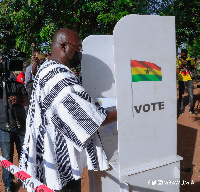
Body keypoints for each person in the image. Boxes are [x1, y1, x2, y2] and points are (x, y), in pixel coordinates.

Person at [19, 28, 117, 192]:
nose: (79, 53)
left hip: (45, 157)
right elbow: (89, 119)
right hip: (59, 165)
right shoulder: (60, 77)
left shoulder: (46, 68)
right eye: (77, 48)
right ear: (64, 46)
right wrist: (122, 111)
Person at [0, 54, 29, 192]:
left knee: (24, 154)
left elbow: (28, 100)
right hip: (3, 127)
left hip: (21, 126)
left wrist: (19, 100)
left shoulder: (18, 84)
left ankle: (25, 179)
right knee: (6, 158)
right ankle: (9, 184)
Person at [177, 49, 195, 114]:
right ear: (181, 53)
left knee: (191, 94)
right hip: (181, 79)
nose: (184, 54)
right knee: (181, 94)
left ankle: (191, 108)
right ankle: (181, 109)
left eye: (185, 53)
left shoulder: (189, 59)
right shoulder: (177, 59)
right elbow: (177, 69)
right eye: (183, 53)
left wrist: (189, 65)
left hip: (189, 79)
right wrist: (182, 64)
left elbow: (193, 68)